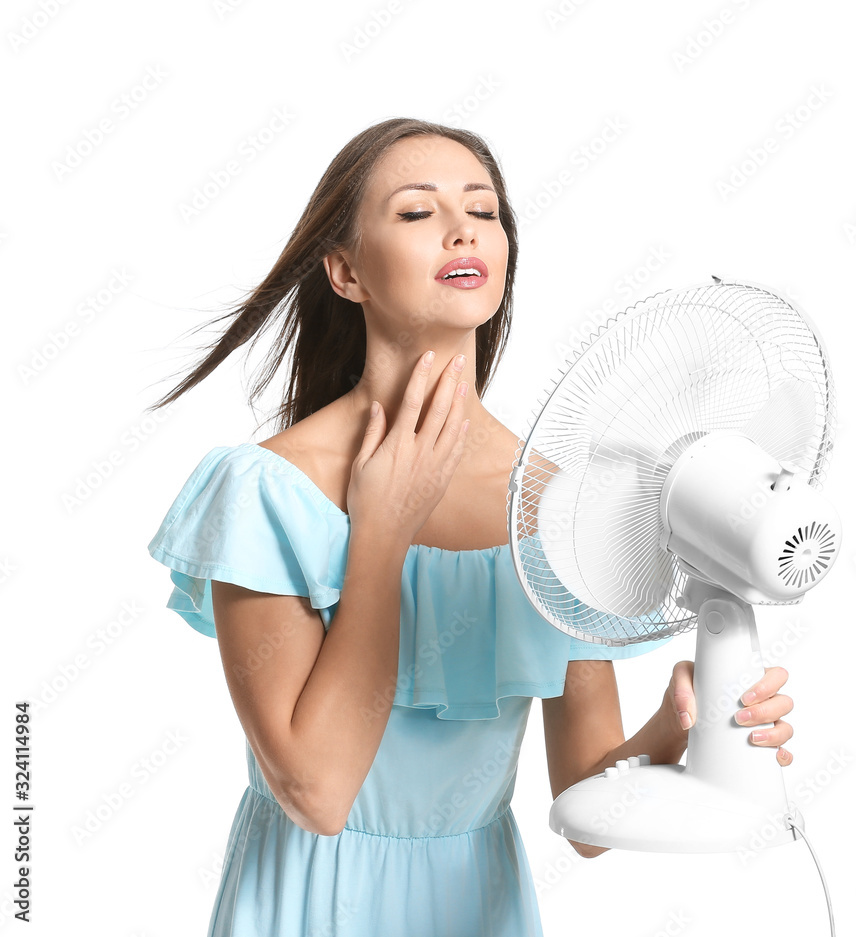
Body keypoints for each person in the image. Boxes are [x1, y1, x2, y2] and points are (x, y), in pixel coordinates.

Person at [145, 117, 795, 937]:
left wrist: (679, 724)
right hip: (306, 903)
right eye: (417, 212)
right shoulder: (268, 492)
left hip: (477, 908)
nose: (461, 228)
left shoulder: (564, 513)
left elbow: (586, 805)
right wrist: (382, 531)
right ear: (346, 272)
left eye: (483, 211)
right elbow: (315, 790)